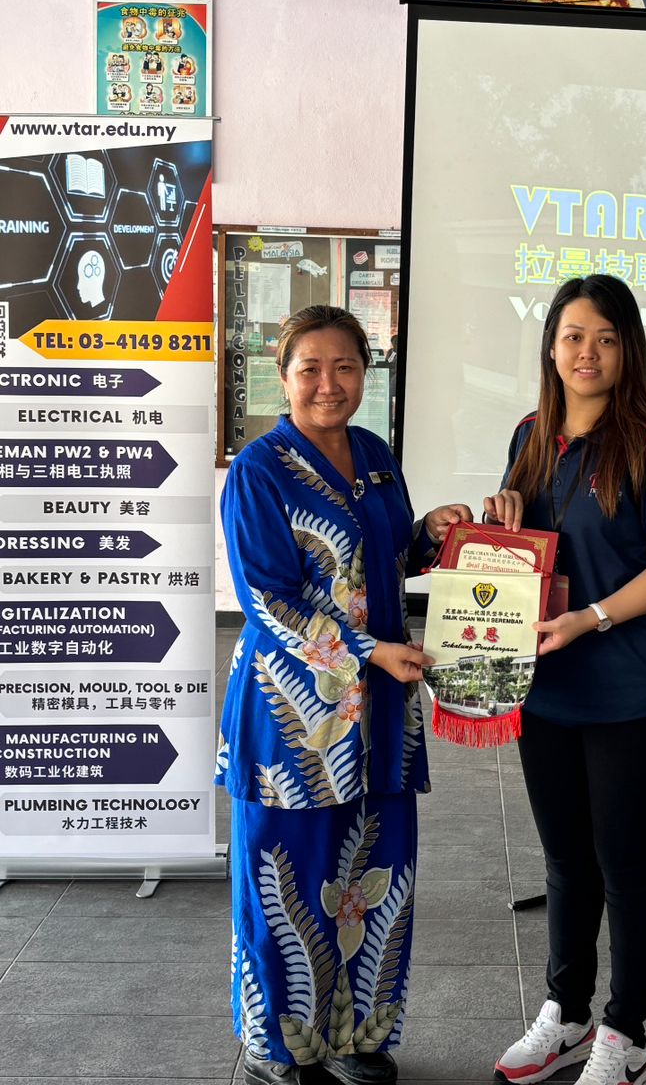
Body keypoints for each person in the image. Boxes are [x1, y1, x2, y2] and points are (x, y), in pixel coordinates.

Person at [217, 304, 471, 1085]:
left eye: (346, 367)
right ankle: (277, 1046)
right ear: (283, 376)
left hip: (382, 716)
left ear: (366, 373)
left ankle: (360, 1038)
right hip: (294, 720)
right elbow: (270, 600)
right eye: (310, 369)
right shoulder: (258, 470)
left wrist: (434, 533)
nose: (328, 384)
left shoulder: (375, 456)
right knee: (285, 882)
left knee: (376, 880)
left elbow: (387, 557)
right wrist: (367, 652)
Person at [483, 275, 646, 1085]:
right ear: (551, 346)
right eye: (574, 336)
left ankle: (626, 1033)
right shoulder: (530, 435)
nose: (588, 352)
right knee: (566, 861)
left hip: (631, 694)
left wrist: (592, 618)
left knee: (626, 862)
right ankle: (567, 1013)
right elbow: (523, 550)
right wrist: (499, 516)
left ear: (627, 351)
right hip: (547, 689)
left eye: (606, 339)